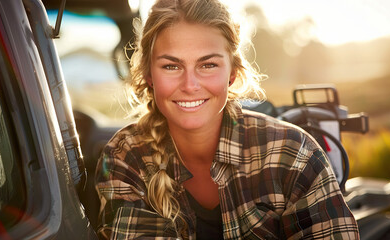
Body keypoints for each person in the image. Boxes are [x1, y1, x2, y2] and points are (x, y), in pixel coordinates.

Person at [95, 0, 359, 239]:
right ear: (149, 75)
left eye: (207, 65)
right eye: (171, 66)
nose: (190, 85)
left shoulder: (293, 153)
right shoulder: (126, 157)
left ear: (232, 73)